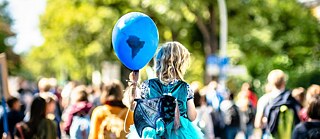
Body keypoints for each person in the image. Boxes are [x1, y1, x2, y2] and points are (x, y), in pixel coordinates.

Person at [126, 41, 203, 139]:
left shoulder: (148, 85)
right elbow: (192, 116)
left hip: (154, 133)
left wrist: (134, 84)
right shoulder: (185, 87)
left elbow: (134, 107)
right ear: (180, 64)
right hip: (179, 133)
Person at [262, 69, 301, 138]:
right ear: (284, 82)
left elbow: (257, 124)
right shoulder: (291, 97)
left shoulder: (265, 99)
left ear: (270, 82)